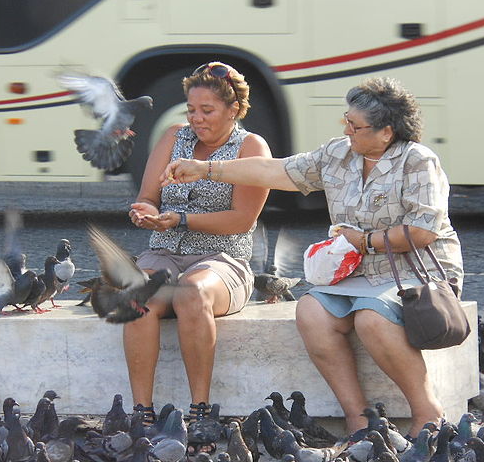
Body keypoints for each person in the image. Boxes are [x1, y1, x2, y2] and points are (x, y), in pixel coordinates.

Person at [161, 77, 464, 436]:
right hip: (356, 272)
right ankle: (358, 418)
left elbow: (422, 231)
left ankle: (426, 412)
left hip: (416, 272)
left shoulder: (417, 161)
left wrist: (364, 241)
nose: (347, 129)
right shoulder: (339, 154)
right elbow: (275, 170)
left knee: (371, 319)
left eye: (355, 125)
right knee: (310, 311)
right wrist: (207, 169)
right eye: (346, 121)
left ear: (386, 132)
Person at [125, 62, 271, 429]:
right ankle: (141, 412)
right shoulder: (174, 137)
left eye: (207, 111)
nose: (196, 119)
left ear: (232, 110)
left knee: (191, 291)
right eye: (191, 109)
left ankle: (200, 410)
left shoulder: (251, 146)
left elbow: (242, 220)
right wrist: (145, 212)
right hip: (164, 250)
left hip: (223, 258)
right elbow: (147, 196)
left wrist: (182, 219)